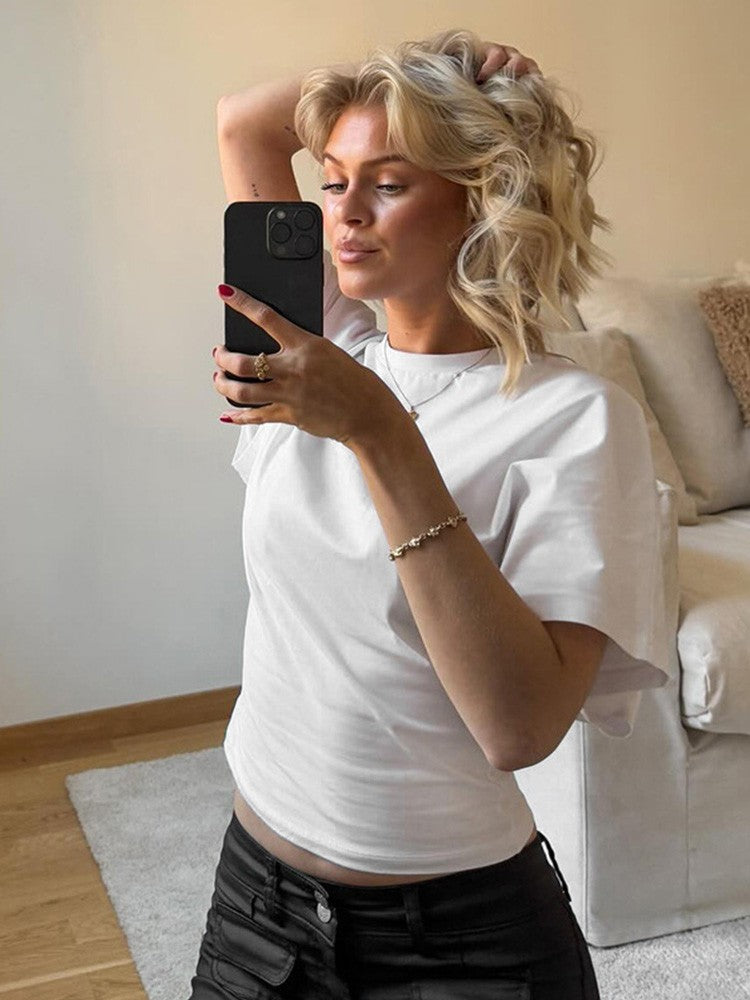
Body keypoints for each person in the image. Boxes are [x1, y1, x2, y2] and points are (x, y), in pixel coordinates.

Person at [189, 28, 671, 999]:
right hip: (255, 906)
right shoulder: (318, 349)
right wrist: (427, 64)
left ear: (479, 198)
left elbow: (518, 728)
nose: (344, 212)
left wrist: (381, 436)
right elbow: (245, 124)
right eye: (334, 181)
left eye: (390, 183)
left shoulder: (574, 421)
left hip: (459, 948)